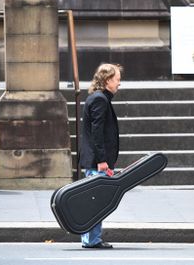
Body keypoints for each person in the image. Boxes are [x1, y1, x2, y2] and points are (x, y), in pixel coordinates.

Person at [79, 63, 122, 249]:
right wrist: (102, 160)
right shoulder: (100, 100)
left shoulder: (100, 98)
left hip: (97, 161)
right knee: (95, 202)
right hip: (97, 162)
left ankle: (91, 238)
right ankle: (91, 239)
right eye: (117, 79)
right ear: (107, 80)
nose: (119, 83)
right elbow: (97, 133)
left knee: (95, 201)